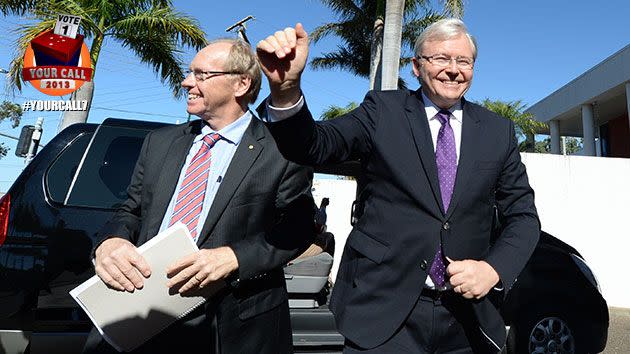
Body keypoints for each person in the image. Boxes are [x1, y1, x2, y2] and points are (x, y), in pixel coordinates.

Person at [256, 19, 540, 353]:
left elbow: (523, 217)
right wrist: (286, 90)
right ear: (417, 67)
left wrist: (494, 269)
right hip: (383, 313)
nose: (453, 70)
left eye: (463, 61)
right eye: (441, 59)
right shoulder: (382, 110)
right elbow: (315, 145)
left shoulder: (497, 131)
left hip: (465, 322)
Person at [84, 38, 315, 354]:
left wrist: (234, 257)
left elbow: (300, 225)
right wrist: (111, 241)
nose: (187, 81)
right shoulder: (160, 142)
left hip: (231, 325)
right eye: (189, 72)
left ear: (241, 84)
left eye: (201, 74)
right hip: (143, 313)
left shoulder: (282, 148)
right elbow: (131, 209)